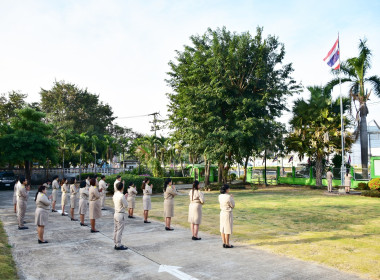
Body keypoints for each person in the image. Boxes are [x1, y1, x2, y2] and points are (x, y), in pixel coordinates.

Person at [113, 181, 129, 250]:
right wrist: (125, 198)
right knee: (119, 230)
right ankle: (118, 244)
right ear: (122, 187)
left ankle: (116, 243)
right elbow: (126, 205)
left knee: (116, 229)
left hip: (116, 213)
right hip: (120, 214)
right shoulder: (121, 195)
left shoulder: (115, 194)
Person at [219, 184, 235, 248]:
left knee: (222, 228)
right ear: (227, 189)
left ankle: (224, 242)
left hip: (222, 212)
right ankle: (227, 243)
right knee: (227, 228)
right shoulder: (228, 197)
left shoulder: (220, 196)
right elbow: (232, 205)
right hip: (227, 213)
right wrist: (232, 198)